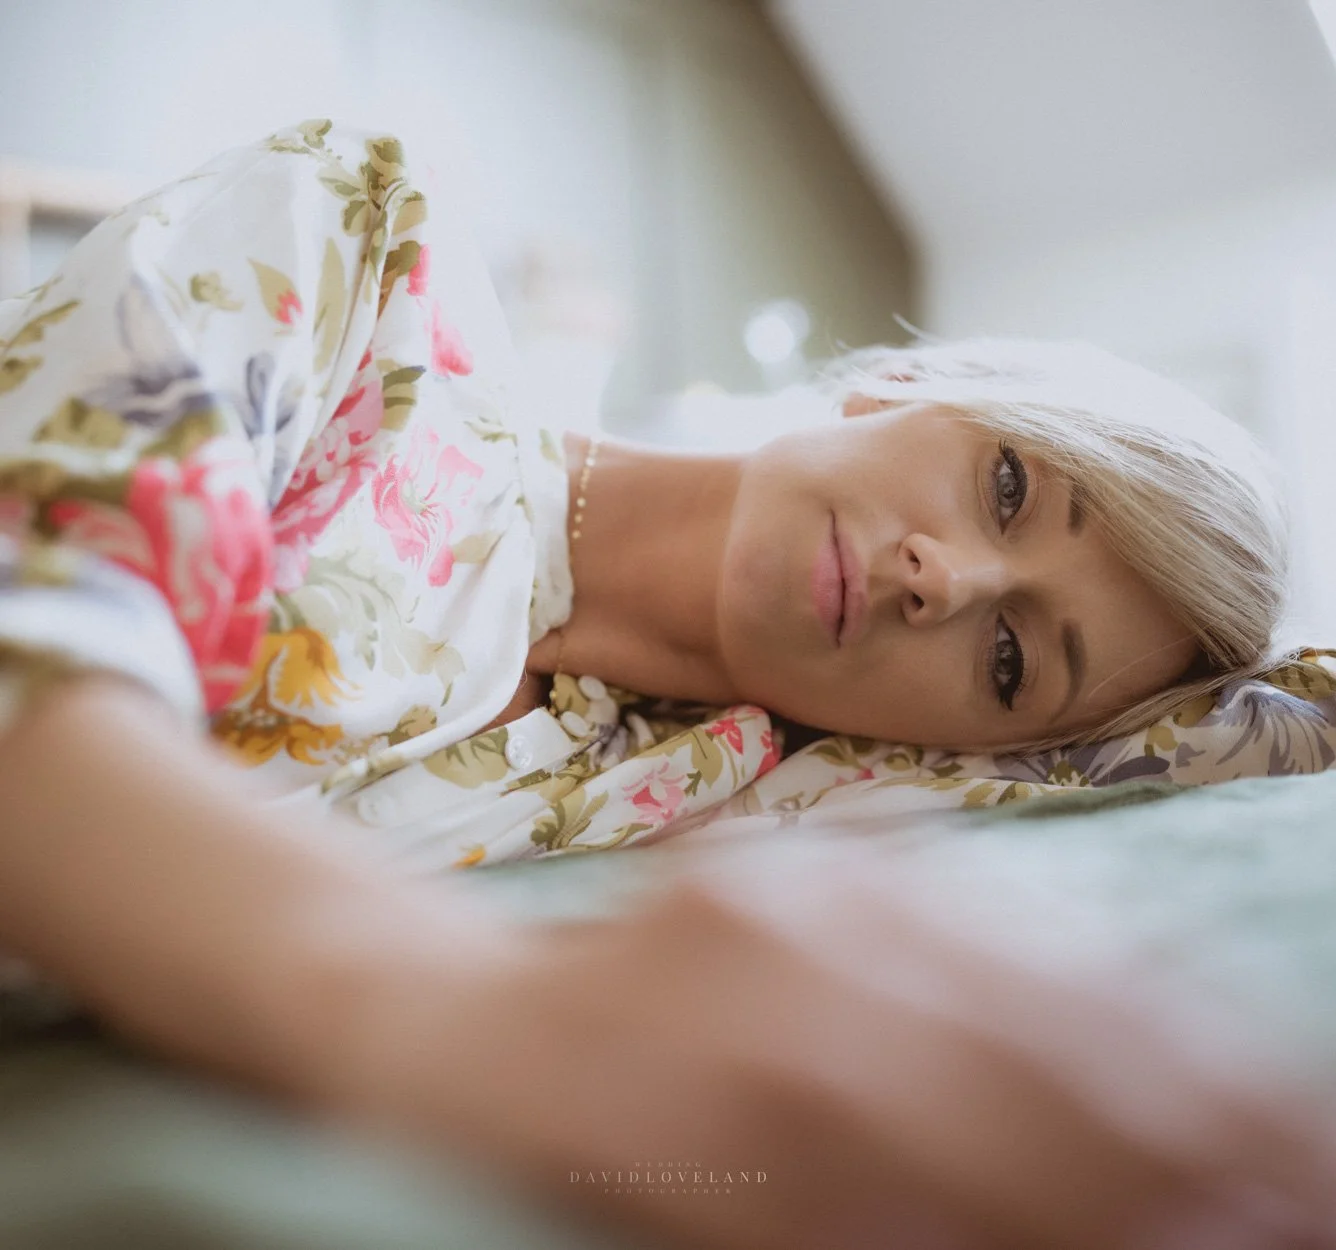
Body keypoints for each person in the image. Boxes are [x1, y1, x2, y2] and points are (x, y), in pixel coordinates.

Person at [0, 121, 1318, 1248]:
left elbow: (1247, 732)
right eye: (1010, 488)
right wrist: (457, 1018)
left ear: (983, 744)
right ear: (908, 386)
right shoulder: (370, 258)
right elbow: (34, 628)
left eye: (1013, 658)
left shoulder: (730, 788)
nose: (948, 582)